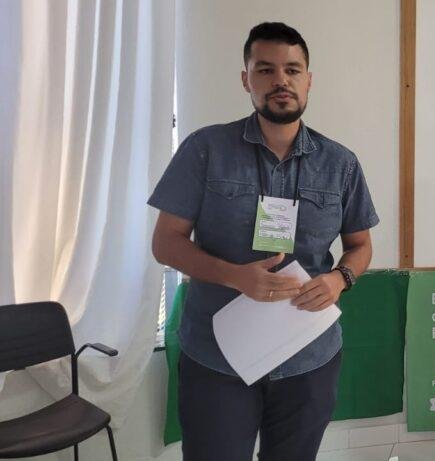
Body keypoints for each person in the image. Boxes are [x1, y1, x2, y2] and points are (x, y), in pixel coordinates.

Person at [148, 22, 378, 461]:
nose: (280, 81)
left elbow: (360, 245)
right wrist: (234, 276)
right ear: (246, 79)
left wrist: (340, 279)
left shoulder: (341, 164)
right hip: (218, 357)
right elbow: (165, 243)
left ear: (308, 80)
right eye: (266, 70)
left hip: (308, 357)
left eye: (292, 70)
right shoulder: (205, 149)